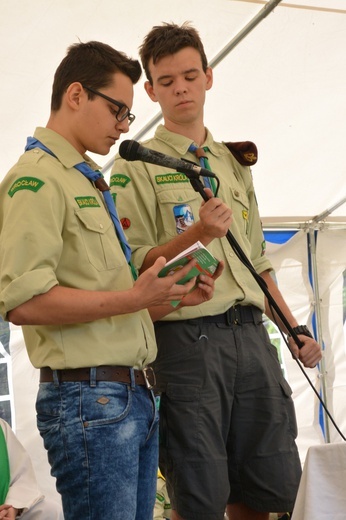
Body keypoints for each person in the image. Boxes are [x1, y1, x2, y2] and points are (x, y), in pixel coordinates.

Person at [0, 41, 223, 520]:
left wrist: (172, 295)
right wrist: (133, 295)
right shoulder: (36, 180)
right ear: (76, 94)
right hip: (90, 398)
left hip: (129, 394)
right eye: (118, 110)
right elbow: (23, 302)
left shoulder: (86, 180)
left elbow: (119, 306)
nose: (125, 125)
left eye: (128, 114)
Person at [111, 23, 322, 520]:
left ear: (209, 77)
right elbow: (133, 264)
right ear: (150, 90)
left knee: (270, 489)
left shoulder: (233, 163)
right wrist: (195, 236)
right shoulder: (134, 168)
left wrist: (293, 330)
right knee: (200, 493)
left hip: (251, 338)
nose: (180, 88)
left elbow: (257, 262)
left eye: (189, 75)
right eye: (167, 81)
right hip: (186, 345)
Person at [0, 418, 63, 520]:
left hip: (5, 511)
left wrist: (11, 508)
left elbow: (21, 476)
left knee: (50, 511)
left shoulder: (1, 428)